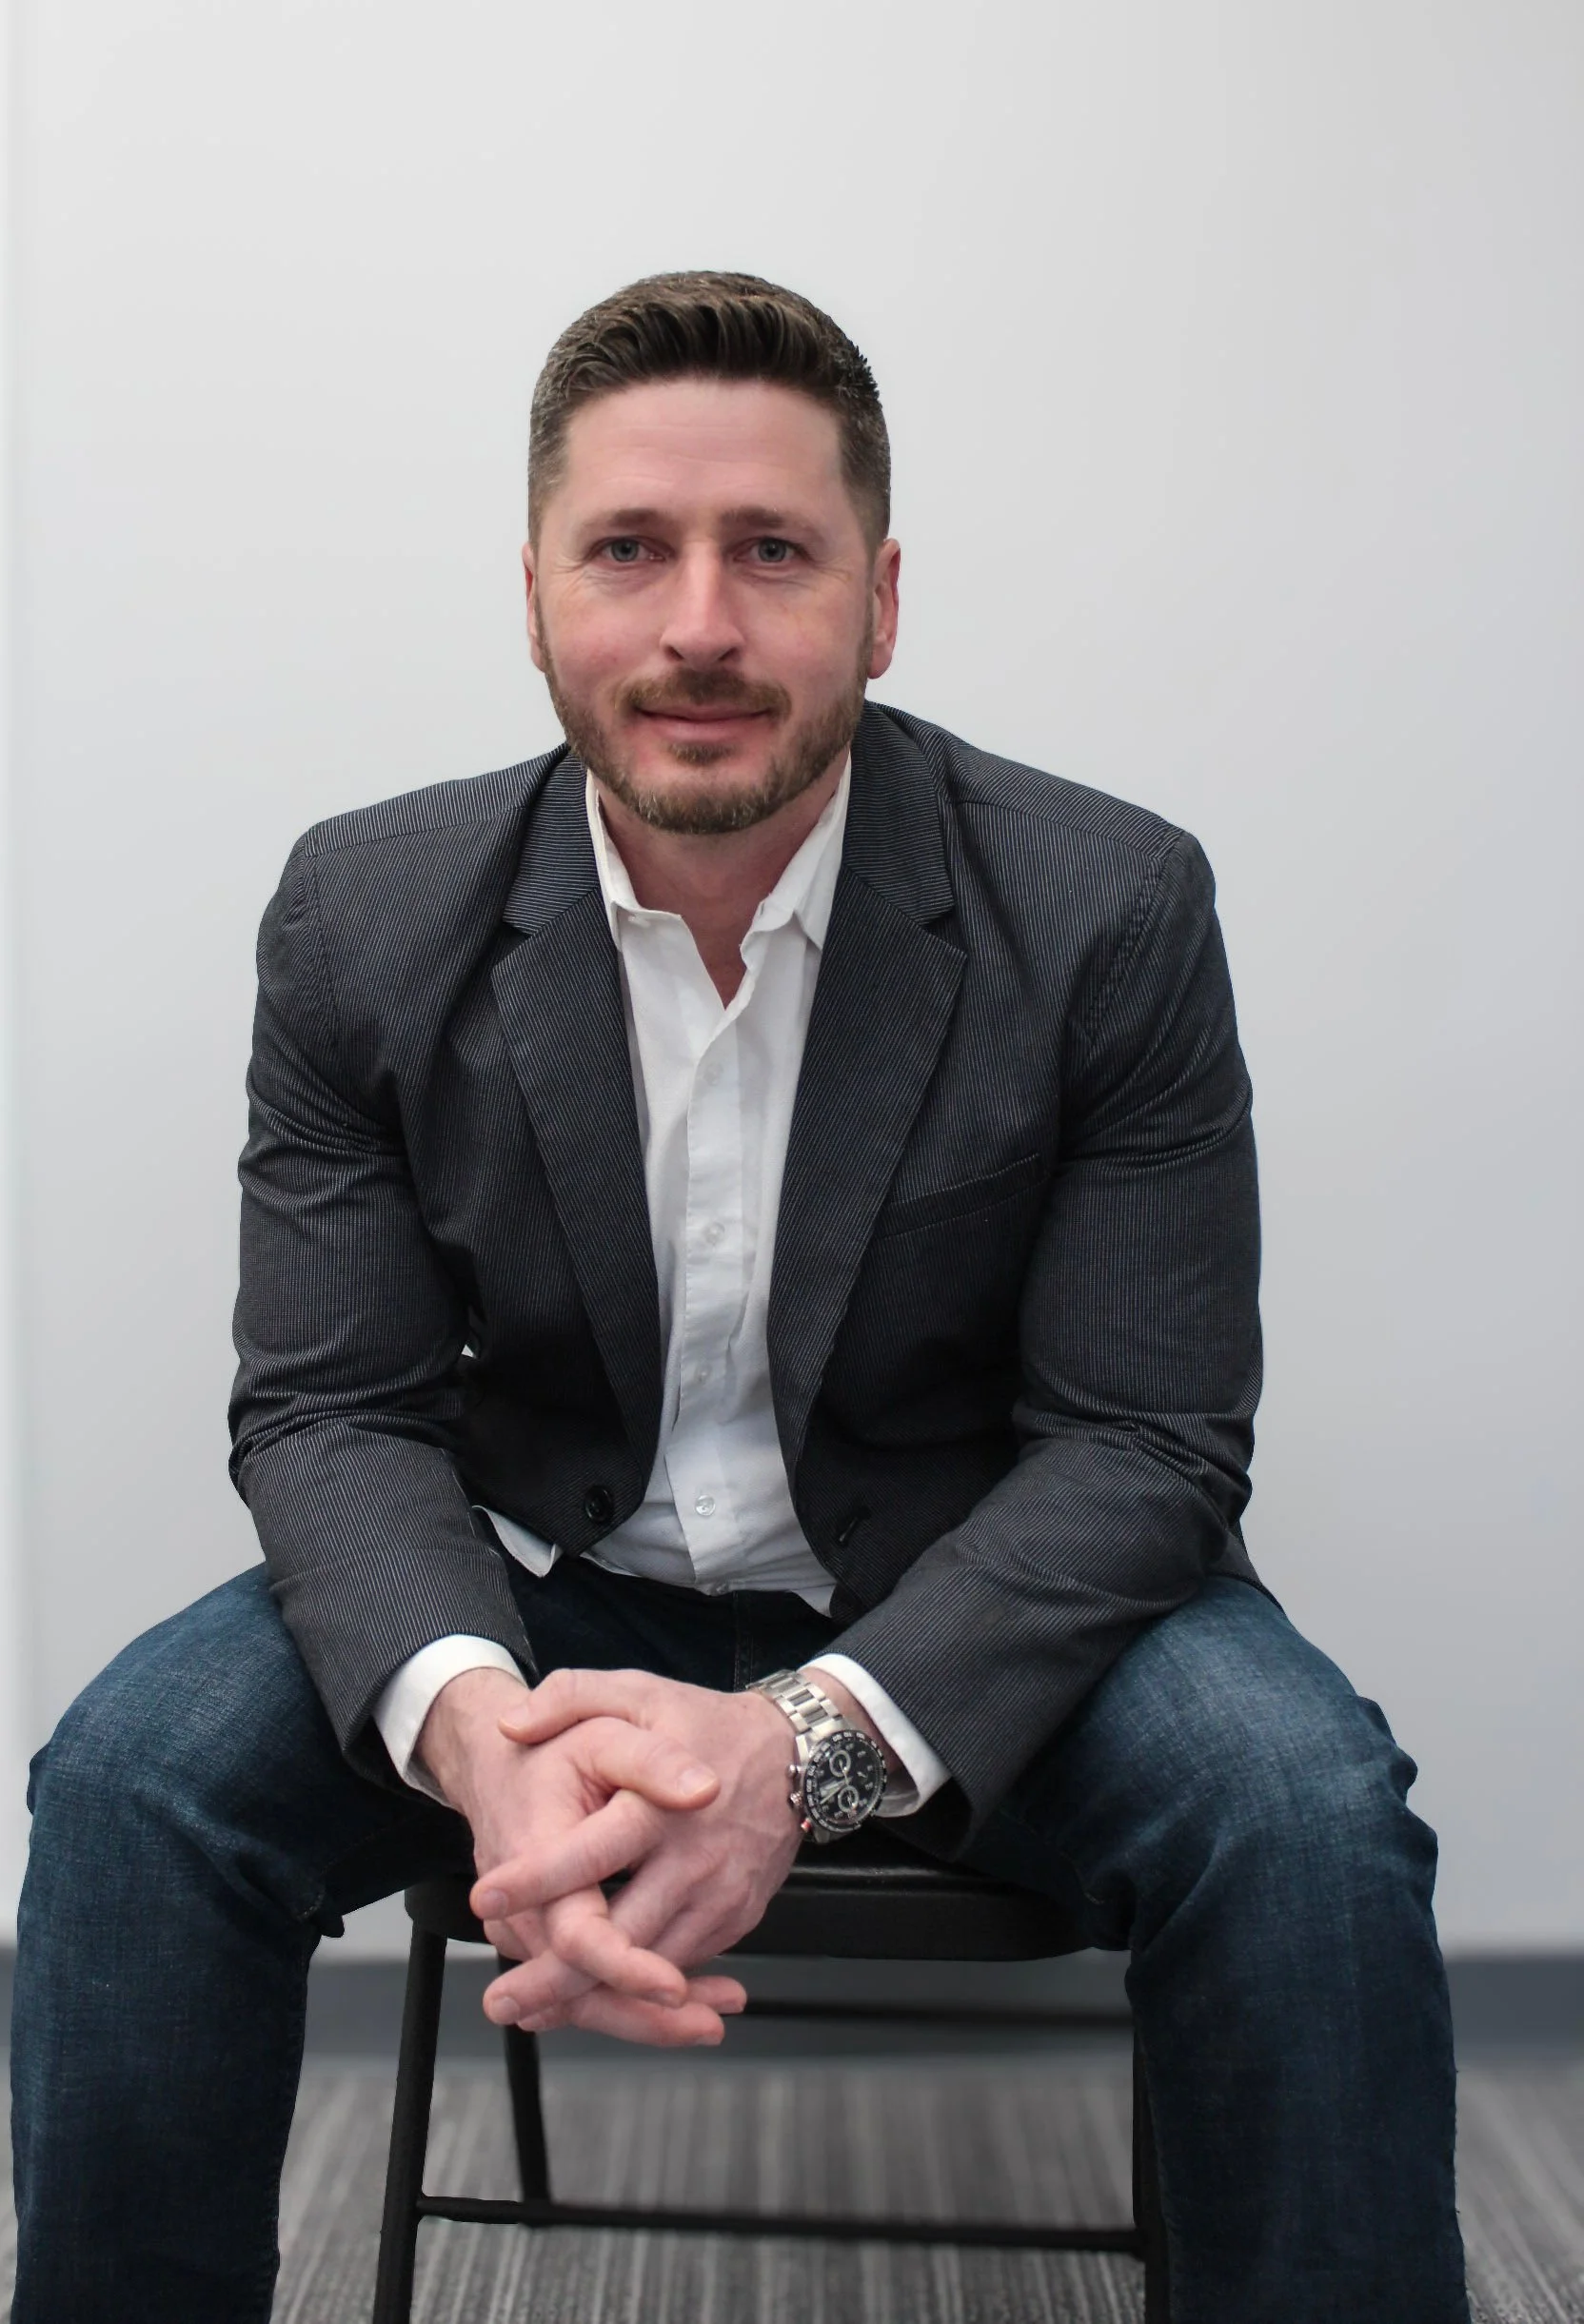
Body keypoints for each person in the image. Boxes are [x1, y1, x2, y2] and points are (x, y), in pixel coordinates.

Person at [10, 270, 1469, 2323]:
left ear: (880, 602)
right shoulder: (362, 912)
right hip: (540, 1587)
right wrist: (479, 1736)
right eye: (628, 549)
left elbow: (1146, 1442)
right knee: (132, 1786)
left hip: (968, 1591)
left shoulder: (1107, 908)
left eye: (771, 551)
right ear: (536, 597)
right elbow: (333, 1407)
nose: (698, 624)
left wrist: (801, 1748)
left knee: (1306, 1816)